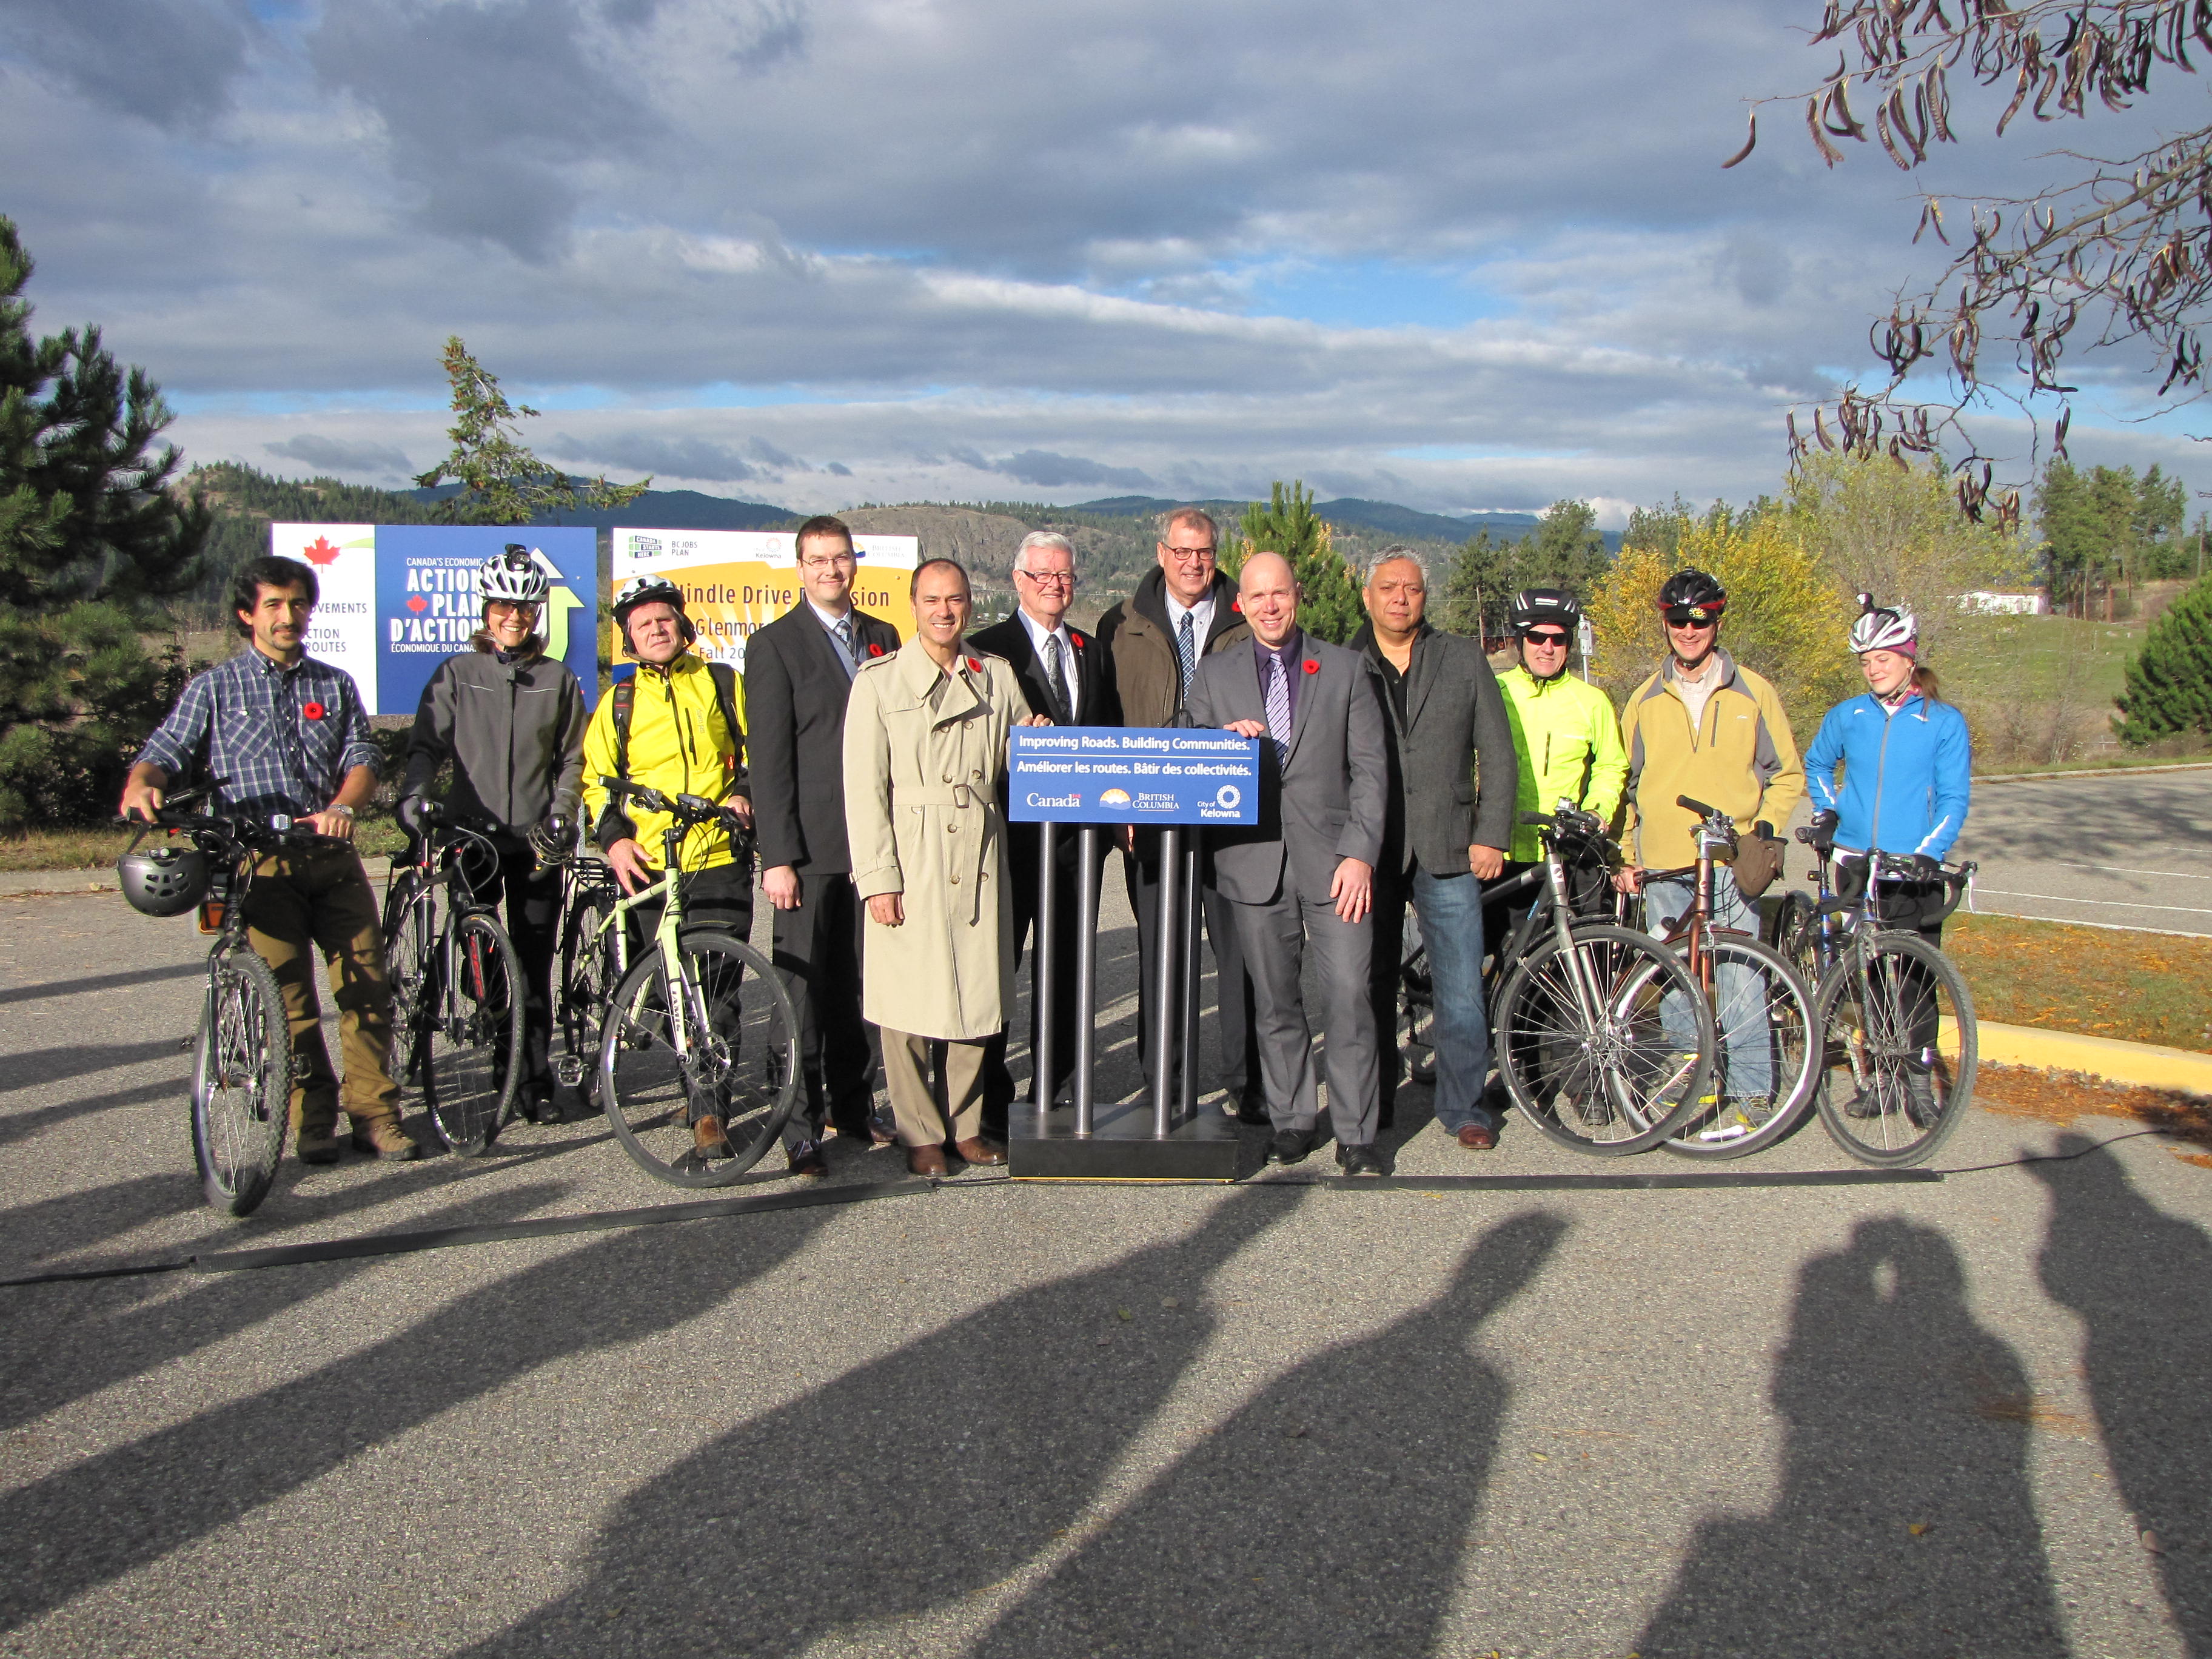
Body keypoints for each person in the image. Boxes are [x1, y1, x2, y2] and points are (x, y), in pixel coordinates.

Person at [121, 554, 417, 1165]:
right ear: (246, 614)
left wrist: (345, 805)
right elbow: (164, 751)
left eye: (298, 604)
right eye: (274, 605)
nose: (289, 616)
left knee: (368, 990)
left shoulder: (332, 684)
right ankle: (311, 1117)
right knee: (290, 1002)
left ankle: (376, 1116)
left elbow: (363, 756)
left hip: (332, 860)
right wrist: (141, 784)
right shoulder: (215, 688)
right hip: (260, 867)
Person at [1186, 552, 1390, 1174]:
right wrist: (1220, 745)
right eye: (1258, 596)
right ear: (1240, 605)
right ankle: (1294, 1119)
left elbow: (1372, 772)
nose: (1271, 606)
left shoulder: (1346, 668)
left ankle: (1357, 1131)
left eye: (1281, 593)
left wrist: (1360, 854)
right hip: (1251, 863)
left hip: (1335, 865)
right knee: (1275, 1003)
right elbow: (1187, 749)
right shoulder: (1215, 674)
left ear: (1297, 595)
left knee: (1350, 995)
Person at [844, 557, 1041, 1176]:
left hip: (978, 850)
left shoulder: (997, 677)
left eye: (954, 600)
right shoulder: (878, 682)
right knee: (907, 1003)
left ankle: (966, 1126)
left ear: (969, 606)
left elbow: (1019, 759)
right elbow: (864, 789)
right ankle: (919, 1131)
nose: (944, 611)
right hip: (913, 850)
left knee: (974, 998)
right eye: (932, 600)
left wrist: (1035, 737)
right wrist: (878, 878)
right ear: (914, 604)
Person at [397, 545, 588, 1125]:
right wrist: (417, 795)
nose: (516, 617)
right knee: (484, 960)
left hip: (533, 840)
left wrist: (563, 811)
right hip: (470, 833)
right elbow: (427, 746)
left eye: (527, 607)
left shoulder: (557, 679)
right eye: (505, 605)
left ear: (537, 612)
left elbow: (574, 758)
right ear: (486, 609)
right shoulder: (459, 672)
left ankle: (530, 1081)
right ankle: (486, 1015)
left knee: (531, 964)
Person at [1092, 507, 1264, 1121]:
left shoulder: (1248, 620)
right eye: (1184, 552)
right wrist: (1118, 809)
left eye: (1206, 552)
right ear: (1161, 553)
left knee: (1241, 958)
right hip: (1152, 820)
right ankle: (1164, 1087)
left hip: (1231, 822)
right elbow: (1105, 722)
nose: (1195, 563)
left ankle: (1251, 1085)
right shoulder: (1120, 624)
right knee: (1162, 957)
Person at [745, 514, 903, 1172]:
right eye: (818, 561)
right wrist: (777, 856)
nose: (831, 571)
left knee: (864, 988)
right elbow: (770, 761)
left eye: (840, 559)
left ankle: (854, 1104)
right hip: (807, 853)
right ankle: (799, 1126)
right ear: (799, 567)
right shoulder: (775, 645)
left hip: (873, 845)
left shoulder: (884, 637)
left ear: (854, 564)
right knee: (802, 995)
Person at [580, 573, 756, 1162]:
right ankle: (692, 1079)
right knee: (668, 988)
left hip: (717, 854)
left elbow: (761, 755)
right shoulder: (619, 703)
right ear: (630, 641)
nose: (657, 630)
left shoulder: (723, 683)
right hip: (652, 862)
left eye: (665, 620)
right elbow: (597, 782)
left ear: (682, 625)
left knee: (719, 990)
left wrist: (744, 795)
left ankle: (711, 1113)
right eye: (643, 625)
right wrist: (614, 841)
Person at [1616, 568, 1805, 1108]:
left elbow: (1786, 774)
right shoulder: (1645, 699)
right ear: (1666, 625)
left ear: (1717, 621)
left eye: (1700, 620)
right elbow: (1626, 784)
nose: (1689, 630)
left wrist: (1763, 829)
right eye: (1678, 620)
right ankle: (1698, 1080)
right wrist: (1628, 854)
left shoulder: (1754, 692)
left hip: (1728, 860)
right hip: (1665, 865)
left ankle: (1750, 1098)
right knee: (1675, 985)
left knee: (1742, 980)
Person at [1352, 548, 1518, 1151]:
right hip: (1369, 850)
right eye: (1389, 587)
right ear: (1366, 595)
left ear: (1426, 597)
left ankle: (1464, 1105)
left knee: (1458, 987)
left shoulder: (1462, 659)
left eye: (1413, 589)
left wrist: (1491, 833)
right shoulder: (1345, 663)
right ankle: (1373, 1104)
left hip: (1449, 846)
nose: (1401, 597)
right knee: (1366, 983)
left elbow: (1497, 753)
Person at [1803, 597, 1972, 1119]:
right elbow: (1816, 763)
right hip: (1856, 862)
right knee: (1870, 974)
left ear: (1908, 658)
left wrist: (1929, 853)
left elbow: (1953, 798)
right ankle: (1880, 1080)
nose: (1873, 668)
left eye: (1882, 657)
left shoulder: (1942, 722)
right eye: (1865, 661)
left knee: (1917, 978)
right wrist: (1829, 812)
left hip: (1912, 866)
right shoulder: (1848, 715)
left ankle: (1918, 1079)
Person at [972, 532, 1119, 1127]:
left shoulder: (1090, 649)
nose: (1055, 586)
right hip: (1007, 842)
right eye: (1043, 576)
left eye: (1064, 576)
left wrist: (1113, 824)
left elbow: (1107, 734)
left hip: (1075, 845)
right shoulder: (986, 650)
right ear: (1018, 580)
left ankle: (1055, 1084)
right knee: (997, 972)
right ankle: (987, 1095)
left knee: (1067, 969)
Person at [1491, 588, 1628, 949]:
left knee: (1579, 958)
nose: (1547, 648)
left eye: (1558, 638)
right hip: (1502, 854)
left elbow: (1612, 766)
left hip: (1571, 851)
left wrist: (1597, 810)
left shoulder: (1592, 702)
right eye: (1537, 637)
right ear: (1521, 640)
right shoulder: (1495, 691)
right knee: (1501, 962)